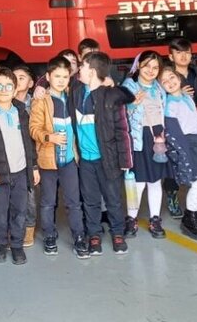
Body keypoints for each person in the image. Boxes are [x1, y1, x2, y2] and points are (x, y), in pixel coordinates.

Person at [30, 57, 88, 258]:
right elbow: (33, 129)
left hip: (69, 160)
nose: (61, 80)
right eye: (57, 76)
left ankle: (79, 237)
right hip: (48, 160)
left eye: (65, 76)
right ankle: (49, 236)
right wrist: (49, 137)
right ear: (48, 77)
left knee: (74, 202)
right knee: (48, 202)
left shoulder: (71, 97)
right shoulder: (41, 100)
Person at [76, 52, 134, 255]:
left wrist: (125, 160)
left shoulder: (111, 95)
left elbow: (122, 130)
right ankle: (94, 234)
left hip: (107, 158)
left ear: (91, 71)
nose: (78, 70)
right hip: (85, 160)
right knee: (90, 199)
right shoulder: (76, 91)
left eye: (81, 66)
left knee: (113, 199)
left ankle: (117, 233)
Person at [0, 69, 38, 265]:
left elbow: (29, 143)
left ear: (15, 91)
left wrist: (34, 166)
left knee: (19, 211)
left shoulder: (21, 112)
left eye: (8, 86)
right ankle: (0, 243)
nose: (4, 90)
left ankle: (16, 245)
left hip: (21, 172)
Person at [159, 65, 197, 241]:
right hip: (187, 145)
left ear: (178, 77)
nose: (170, 82)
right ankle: (190, 217)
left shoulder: (186, 96)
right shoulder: (169, 105)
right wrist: (183, 154)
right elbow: (174, 132)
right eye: (164, 81)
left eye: (171, 77)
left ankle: (191, 216)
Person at [121, 51, 169, 238]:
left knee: (155, 180)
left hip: (158, 137)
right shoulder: (128, 86)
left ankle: (155, 218)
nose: (151, 70)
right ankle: (131, 218)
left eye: (155, 67)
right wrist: (132, 105)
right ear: (138, 65)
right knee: (138, 182)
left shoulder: (159, 88)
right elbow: (122, 112)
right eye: (147, 65)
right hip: (138, 138)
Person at [164, 37, 197, 218]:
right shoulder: (166, 77)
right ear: (171, 56)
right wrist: (178, 93)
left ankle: (195, 199)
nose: (183, 56)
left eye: (187, 52)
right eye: (178, 52)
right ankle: (172, 196)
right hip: (176, 129)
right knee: (174, 164)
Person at [11, 64, 39, 247]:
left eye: (21, 77)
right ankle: (12, 229)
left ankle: (29, 228)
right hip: (11, 155)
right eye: (14, 77)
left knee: (30, 194)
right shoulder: (4, 102)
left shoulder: (36, 103)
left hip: (32, 155)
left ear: (31, 83)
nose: (17, 80)